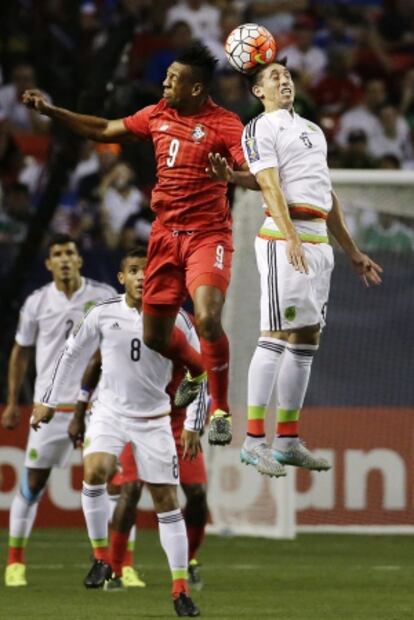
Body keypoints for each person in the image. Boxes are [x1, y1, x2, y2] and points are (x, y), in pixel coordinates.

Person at [22, 42, 251, 446]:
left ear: (196, 88)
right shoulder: (157, 115)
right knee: (155, 337)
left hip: (207, 234)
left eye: (174, 79)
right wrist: (52, 112)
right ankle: (197, 371)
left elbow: (255, 173)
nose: (164, 82)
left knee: (208, 317)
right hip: (164, 234)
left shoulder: (227, 124)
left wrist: (231, 176)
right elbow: (103, 129)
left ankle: (220, 409)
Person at [208, 60, 383, 477]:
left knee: (306, 338)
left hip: (318, 239)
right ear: (257, 92)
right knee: (275, 334)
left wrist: (352, 250)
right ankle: (252, 441)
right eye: (273, 77)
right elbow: (268, 184)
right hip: (284, 239)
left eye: (286, 76)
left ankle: (286, 441)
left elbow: (325, 192)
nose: (283, 80)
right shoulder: (260, 127)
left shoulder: (312, 130)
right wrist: (289, 237)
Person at [31, 248, 205, 617]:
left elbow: (200, 370)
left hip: (155, 418)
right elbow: (70, 355)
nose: (143, 277)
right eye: (134, 271)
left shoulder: (177, 318)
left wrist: (193, 423)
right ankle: (101, 558)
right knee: (95, 471)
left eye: (148, 271)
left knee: (166, 503)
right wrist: (47, 400)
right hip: (109, 411)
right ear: (122, 277)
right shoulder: (103, 313)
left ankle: (179, 589)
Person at [1, 233, 117, 587]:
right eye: (57, 254)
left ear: (80, 260)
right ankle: (15, 561)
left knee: (110, 479)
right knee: (34, 480)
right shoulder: (37, 302)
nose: (65, 258)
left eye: (70, 252)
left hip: (97, 405)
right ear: (48, 264)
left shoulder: (102, 296)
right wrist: (11, 401)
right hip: (49, 406)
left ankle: (109, 563)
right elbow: (21, 351)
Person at [69, 308, 209, 590]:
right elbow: (98, 361)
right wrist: (81, 407)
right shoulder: (125, 318)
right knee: (130, 489)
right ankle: (115, 569)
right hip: (140, 416)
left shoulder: (187, 323)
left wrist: (199, 417)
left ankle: (189, 561)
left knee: (197, 494)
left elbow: (204, 372)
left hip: (178, 421)